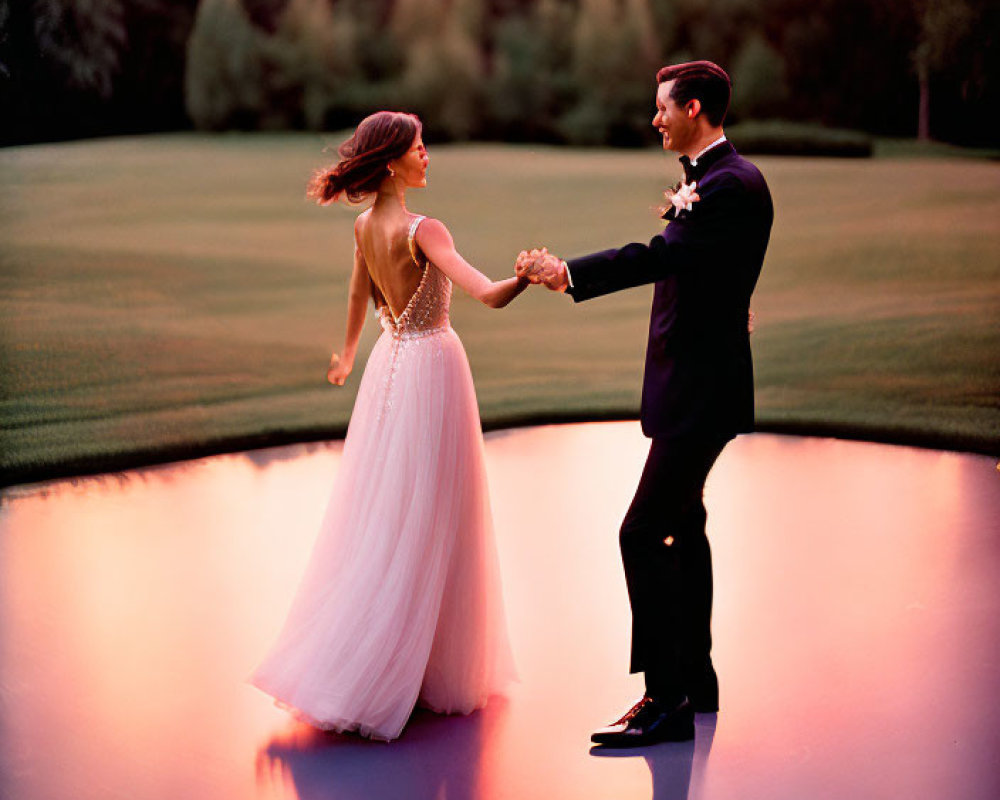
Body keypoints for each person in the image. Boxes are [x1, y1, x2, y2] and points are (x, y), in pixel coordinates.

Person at [517, 61, 773, 748]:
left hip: (701, 390)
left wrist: (569, 272)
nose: (654, 119)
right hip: (692, 382)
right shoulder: (712, 181)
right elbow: (705, 274)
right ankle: (698, 680)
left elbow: (661, 257)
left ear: (694, 108)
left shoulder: (728, 186)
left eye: (662, 108)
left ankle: (665, 700)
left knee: (640, 532)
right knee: (683, 527)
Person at [250, 111, 526, 742]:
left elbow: (357, 296)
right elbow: (484, 293)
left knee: (390, 509)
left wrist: (349, 355)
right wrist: (527, 278)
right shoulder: (423, 229)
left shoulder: (363, 224)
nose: (428, 156)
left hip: (388, 366)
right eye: (419, 148)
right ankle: (412, 670)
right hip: (432, 365)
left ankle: (403, 661)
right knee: (435, 513)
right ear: (393, 161)